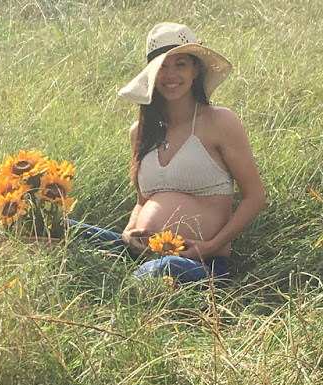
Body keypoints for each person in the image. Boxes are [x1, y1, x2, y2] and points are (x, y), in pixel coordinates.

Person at [70, 22, 265, 284]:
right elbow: (142, 202)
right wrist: (129, 232)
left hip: (198, 263)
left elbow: (255, 197)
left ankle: (123, 284)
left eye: (180, 64)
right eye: (162, 66)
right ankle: (127, 279)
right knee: (59, 229)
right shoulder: (140, 131)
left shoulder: (220, 122)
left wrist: (210, 246)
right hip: (138, 254)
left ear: (196, 69)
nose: (170, 74)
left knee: (164, 266)